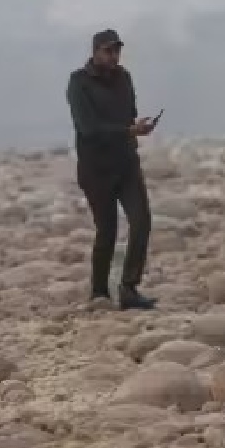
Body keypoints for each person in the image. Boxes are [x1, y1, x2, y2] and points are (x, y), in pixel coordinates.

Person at [66, 29, 159, 310]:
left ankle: (129, 287)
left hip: (126, 164)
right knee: (107, 230)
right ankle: (99, 292)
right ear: (95, 52)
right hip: (96, 169)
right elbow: (88, 128)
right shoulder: (78, 82)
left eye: (117, 50)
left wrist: (138, 127)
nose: (114, 56)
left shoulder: (124, 77)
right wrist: (128, 130)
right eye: (108, 51)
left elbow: (129, 114)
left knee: (141, 221)